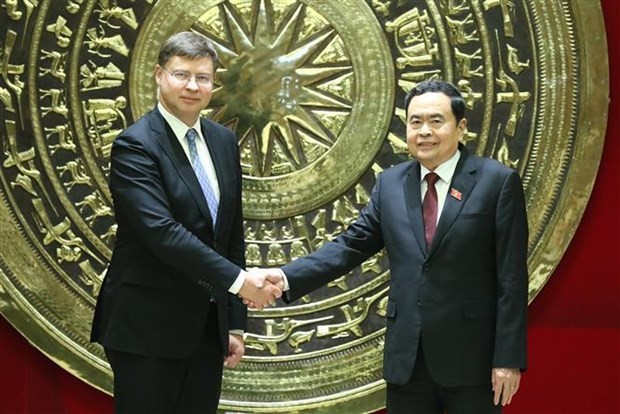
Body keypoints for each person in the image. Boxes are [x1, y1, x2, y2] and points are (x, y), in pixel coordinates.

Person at [256, 80, 529, 413]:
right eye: (415, 122)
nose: (424, 131)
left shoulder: (496, 182)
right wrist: (285, 277)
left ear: (461, 128)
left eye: (435, 121)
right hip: (407, 361)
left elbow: (512, 279)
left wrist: (508, 358)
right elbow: (349, 247)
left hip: (471, 360)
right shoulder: (391, 184)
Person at [91, 31, 280, 414]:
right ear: (160, 75)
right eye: (182, 75)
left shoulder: (222, 141)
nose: (193, 86)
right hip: (146, 329)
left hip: (207, 330)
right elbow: (162, 233)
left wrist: (235, 323)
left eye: (203, 77)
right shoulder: (136, 145)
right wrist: (242, 282)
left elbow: (230, 234)